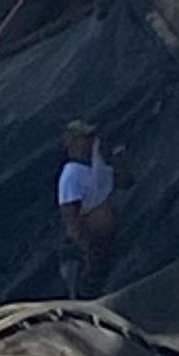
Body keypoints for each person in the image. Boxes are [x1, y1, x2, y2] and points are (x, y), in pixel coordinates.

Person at [54, 121, 117, 298]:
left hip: (100, 244)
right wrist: (86, 250)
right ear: (72, 141)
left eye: (91, 137)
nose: (90, 142)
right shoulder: (71, 175)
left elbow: (125, 181)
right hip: (82, 252)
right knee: (85, 295)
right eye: (85, 138)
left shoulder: (97, 169)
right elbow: (70, 219)